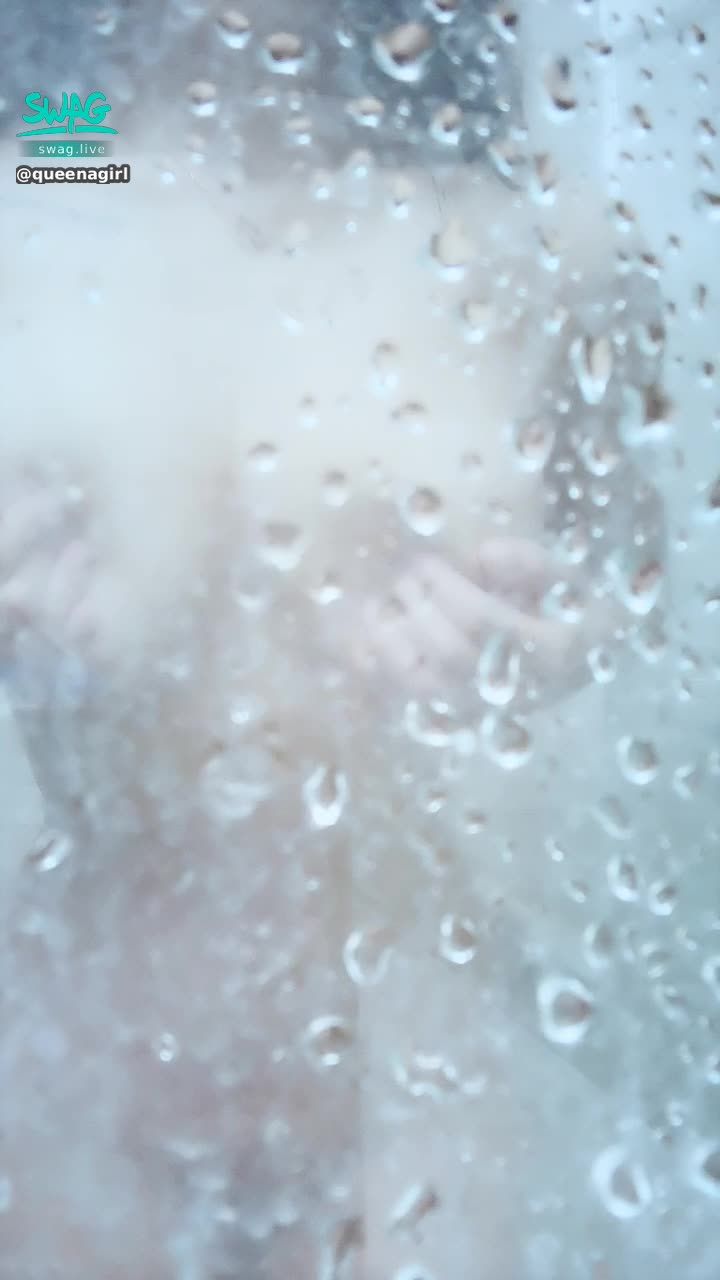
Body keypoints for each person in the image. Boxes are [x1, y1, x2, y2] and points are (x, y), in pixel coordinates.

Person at [0, 5, 666, 1277]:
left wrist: (538, 635)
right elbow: (62, 166)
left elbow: (636, 574)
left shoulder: (505, 210)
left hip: (398, 1015)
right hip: (86, 1000)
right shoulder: (65, 151)